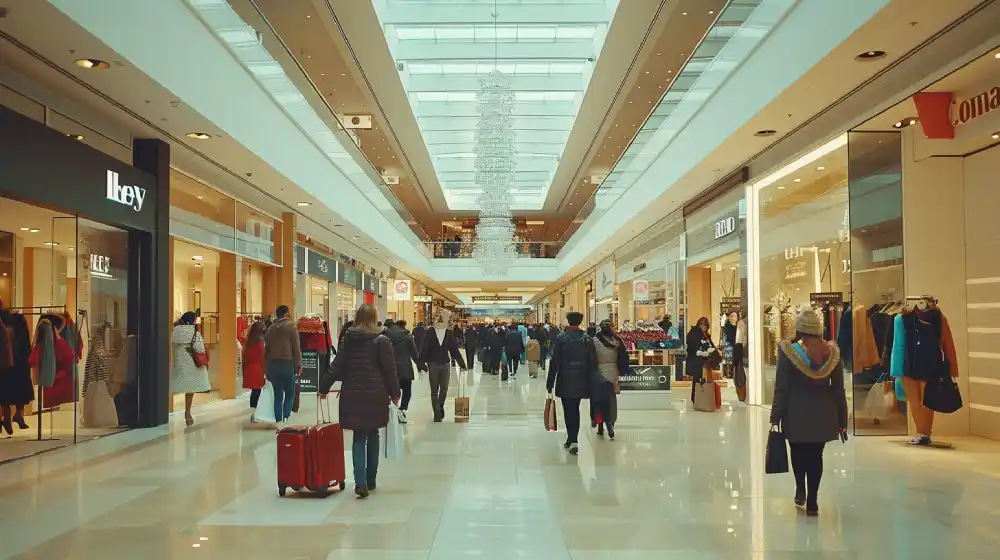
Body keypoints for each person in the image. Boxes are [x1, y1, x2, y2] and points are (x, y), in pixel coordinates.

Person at [770, 310, 848, 517]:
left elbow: (782, 387)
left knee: (798, 453)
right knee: (816, 456)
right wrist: (842, 418)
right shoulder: (832, 353)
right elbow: (839, 390)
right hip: (824, 413)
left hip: (795, 412)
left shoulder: (789, 352)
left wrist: (775, 416)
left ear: (800, 329)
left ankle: (800, 489)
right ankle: (813, 500)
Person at [318, 304, 400, 498]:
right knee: (373, 435)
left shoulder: (348, 339)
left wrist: (324, 387)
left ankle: (360, 482)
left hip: (352, 395)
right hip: (376, 396)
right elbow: (390, 370)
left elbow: (337, 366)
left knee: (358, 437)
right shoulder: (382, 341)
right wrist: (395, 393)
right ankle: (371, 480)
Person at [546, 311, 597, 455]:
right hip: (581, 379)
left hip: (565, 379)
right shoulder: (587, 339)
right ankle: (572, 439)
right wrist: (592, 380)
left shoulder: (561, 338)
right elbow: (593, 362)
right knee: (576, 408)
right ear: (580, 322)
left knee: (568, 410)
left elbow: (554, 361)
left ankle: (572, 438)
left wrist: (550, 382)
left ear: (568, 321)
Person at [418, 320, 467, 421]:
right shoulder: (430, 332)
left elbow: (454, 350)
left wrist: (461, 363)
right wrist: (421, 364)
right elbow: (424, 348)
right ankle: (437, 414)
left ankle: (439, 407)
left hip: (445, 363)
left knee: (444, 389)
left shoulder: (448, 333)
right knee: (434, 390)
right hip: (433, 363)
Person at [171, 311, 211, 427]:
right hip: (192, 365)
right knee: (190, 390)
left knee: (176, 386)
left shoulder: (175, 332)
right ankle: (187, 412)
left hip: (179, 364)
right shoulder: (195, 334)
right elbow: (200, 350)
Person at [264, 305, 302, 426]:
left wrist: (266, 368)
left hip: (273, 365)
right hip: (287, 364)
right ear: (285, 314)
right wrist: (298, 365)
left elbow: (266, 350)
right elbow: (296, 348)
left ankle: (278, 421)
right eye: (289, 313)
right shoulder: (291, 327)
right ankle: (286, 418)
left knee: (278, 395)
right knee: (290, 394)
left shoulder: (270, 329)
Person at [592, 320, 628, 440]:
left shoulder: (594, 340)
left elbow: (590, 358)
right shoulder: (617, 341)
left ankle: (599, 424)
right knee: (610, 402)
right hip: (613, 374)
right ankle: (610, 424)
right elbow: (624, 359)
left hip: (599, 374)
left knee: (598, 401)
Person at [383, 318, 419, 423]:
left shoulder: (384, 336)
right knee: (407, 392)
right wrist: (420, 365)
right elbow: (414, 353)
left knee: (390, 391)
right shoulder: (408, 336)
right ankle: (402, 409)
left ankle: (392, 411)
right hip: (405, 369)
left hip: (390, 370)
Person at [685, 317, 717, 403]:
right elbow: (693, 347)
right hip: (697, 361)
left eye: (705, 325)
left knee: (700, 380)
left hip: (703, 361)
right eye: (702, 324)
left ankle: (699, 399)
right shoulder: (695, 333)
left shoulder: (704, 334)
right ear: (699, 324)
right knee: (697, 380)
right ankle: (696, 399)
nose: (704, 326)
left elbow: (710, 346)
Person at [242, 321, 267, 423]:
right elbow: (262, 358)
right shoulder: (260, 343)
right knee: (257, 392)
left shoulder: (248, 342)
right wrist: (266, 371)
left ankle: (253, 413)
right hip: (258, 369)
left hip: (249, 369)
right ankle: (255, 414)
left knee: (254, 392)